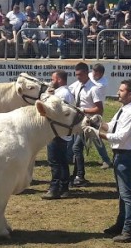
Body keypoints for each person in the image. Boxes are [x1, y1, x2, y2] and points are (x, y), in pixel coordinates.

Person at [84, 79, 131, 243]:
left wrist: (96, 133)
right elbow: (112, 127)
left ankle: (128, 230)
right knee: (122, 194)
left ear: (130, 94)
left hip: (125, 155)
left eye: (122, 90)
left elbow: (120, 137)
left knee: (127, 194)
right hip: (119, 155)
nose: (118, 92)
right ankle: (121, 225)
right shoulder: (123, 110)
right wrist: (98, 123)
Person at [68, 62, 103, 187]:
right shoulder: (77, 85)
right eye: (76, 75)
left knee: (76, 148)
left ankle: (80, 175)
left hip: (88, 122)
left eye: (80, 74)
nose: (78, 77)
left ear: (86, 73)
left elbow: (99, 109)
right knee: (77, 148)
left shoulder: (94, 89)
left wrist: (82, 110)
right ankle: (77, 174)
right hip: (79, 121)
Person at [42, 69, 74, 199]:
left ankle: (55, 188)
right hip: (60, 130)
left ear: (59, 80)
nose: (51, 81)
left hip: (57, 131)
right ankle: (63, 187)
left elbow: (52, 110)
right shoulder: (63, 92)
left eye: (53, 79)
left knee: (55, 160)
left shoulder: (62, 94)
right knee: (61, 160)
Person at [89, 63, 112, 169]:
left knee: (95, 136)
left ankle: (106, 160)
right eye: (93, 71)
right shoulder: (90, 76)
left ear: (101, 74)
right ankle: (70, 156)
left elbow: (92, 86)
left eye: (96, 73)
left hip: (96, 111)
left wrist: (87, 78)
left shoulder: (103, 83)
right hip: (87, 109)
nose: (93, 74)